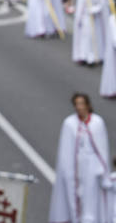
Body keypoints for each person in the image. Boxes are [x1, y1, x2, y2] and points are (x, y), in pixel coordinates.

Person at [49, 93, 111, 223]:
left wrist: (103, 171)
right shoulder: (69, 124)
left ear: (88, 105)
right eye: (77, 104)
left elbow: (102, 149)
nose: (79, 107)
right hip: (77, 166)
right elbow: (66, 151)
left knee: (91, 197)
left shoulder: (97, 122)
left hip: (93, 168)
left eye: (82, 104)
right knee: (76, 194)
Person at [73, 0, 108, 65]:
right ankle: (84, 56)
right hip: (87, 20)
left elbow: (103, 5)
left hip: (96, 20)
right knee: (87, 39)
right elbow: (80, 6)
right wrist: (79, 19)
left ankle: (97, 56)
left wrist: (96, 9)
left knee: (96, 38)